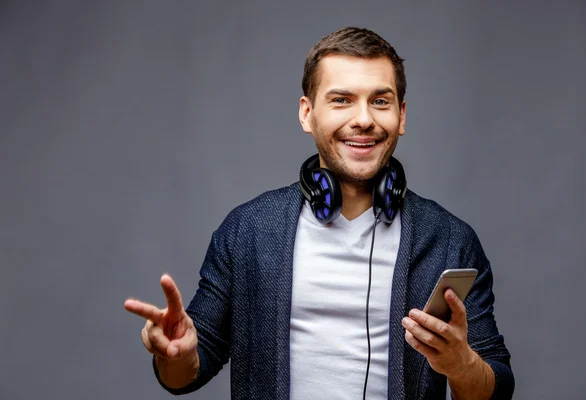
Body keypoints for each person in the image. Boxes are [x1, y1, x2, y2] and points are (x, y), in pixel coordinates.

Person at [124, 27, 514, 399]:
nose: (364, 119)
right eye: (341, 100)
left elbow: (494, 388)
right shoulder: (249, 230)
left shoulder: (449, 240)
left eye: (380, 101)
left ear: (402, 115)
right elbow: (185, 371)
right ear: (307, 114)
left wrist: (461, 365)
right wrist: (177, 352)